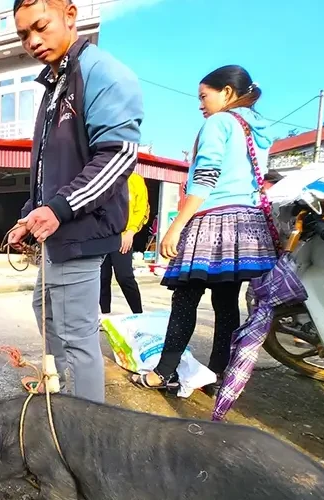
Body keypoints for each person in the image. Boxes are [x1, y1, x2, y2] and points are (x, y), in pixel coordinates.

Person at [6, 0, 143, 403]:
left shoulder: (101, 73)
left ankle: (86, 428)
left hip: (80, 230)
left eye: (40, 27)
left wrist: (59, 209)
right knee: (45, 312)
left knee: (76, 337)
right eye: (23, 34)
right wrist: (28, 216)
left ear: (70, 14)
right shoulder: (56, 85)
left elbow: (119, 155)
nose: (33, 41)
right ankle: (62, 392)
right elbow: (52, 169)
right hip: (57, 233)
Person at [129, 65, 278, 393]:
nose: (200, 104)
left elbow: (206, 178)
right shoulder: (257, 130)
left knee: (185, 298)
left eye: (203, 96)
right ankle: (217, 374)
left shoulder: (219, 122)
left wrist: (176, 227)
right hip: (245, 225)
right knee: (227, 303)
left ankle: (163, 371)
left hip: (213, 221)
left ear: (226, 93)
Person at [100, 171, 150, 315]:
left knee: (124, 276)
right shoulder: (104, 177)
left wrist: (131, 232)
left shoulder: (135, 180)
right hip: (102, 235)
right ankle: (105, 315)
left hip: (123, 236)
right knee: (102, 278)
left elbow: (141, 209)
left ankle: (138, 313)